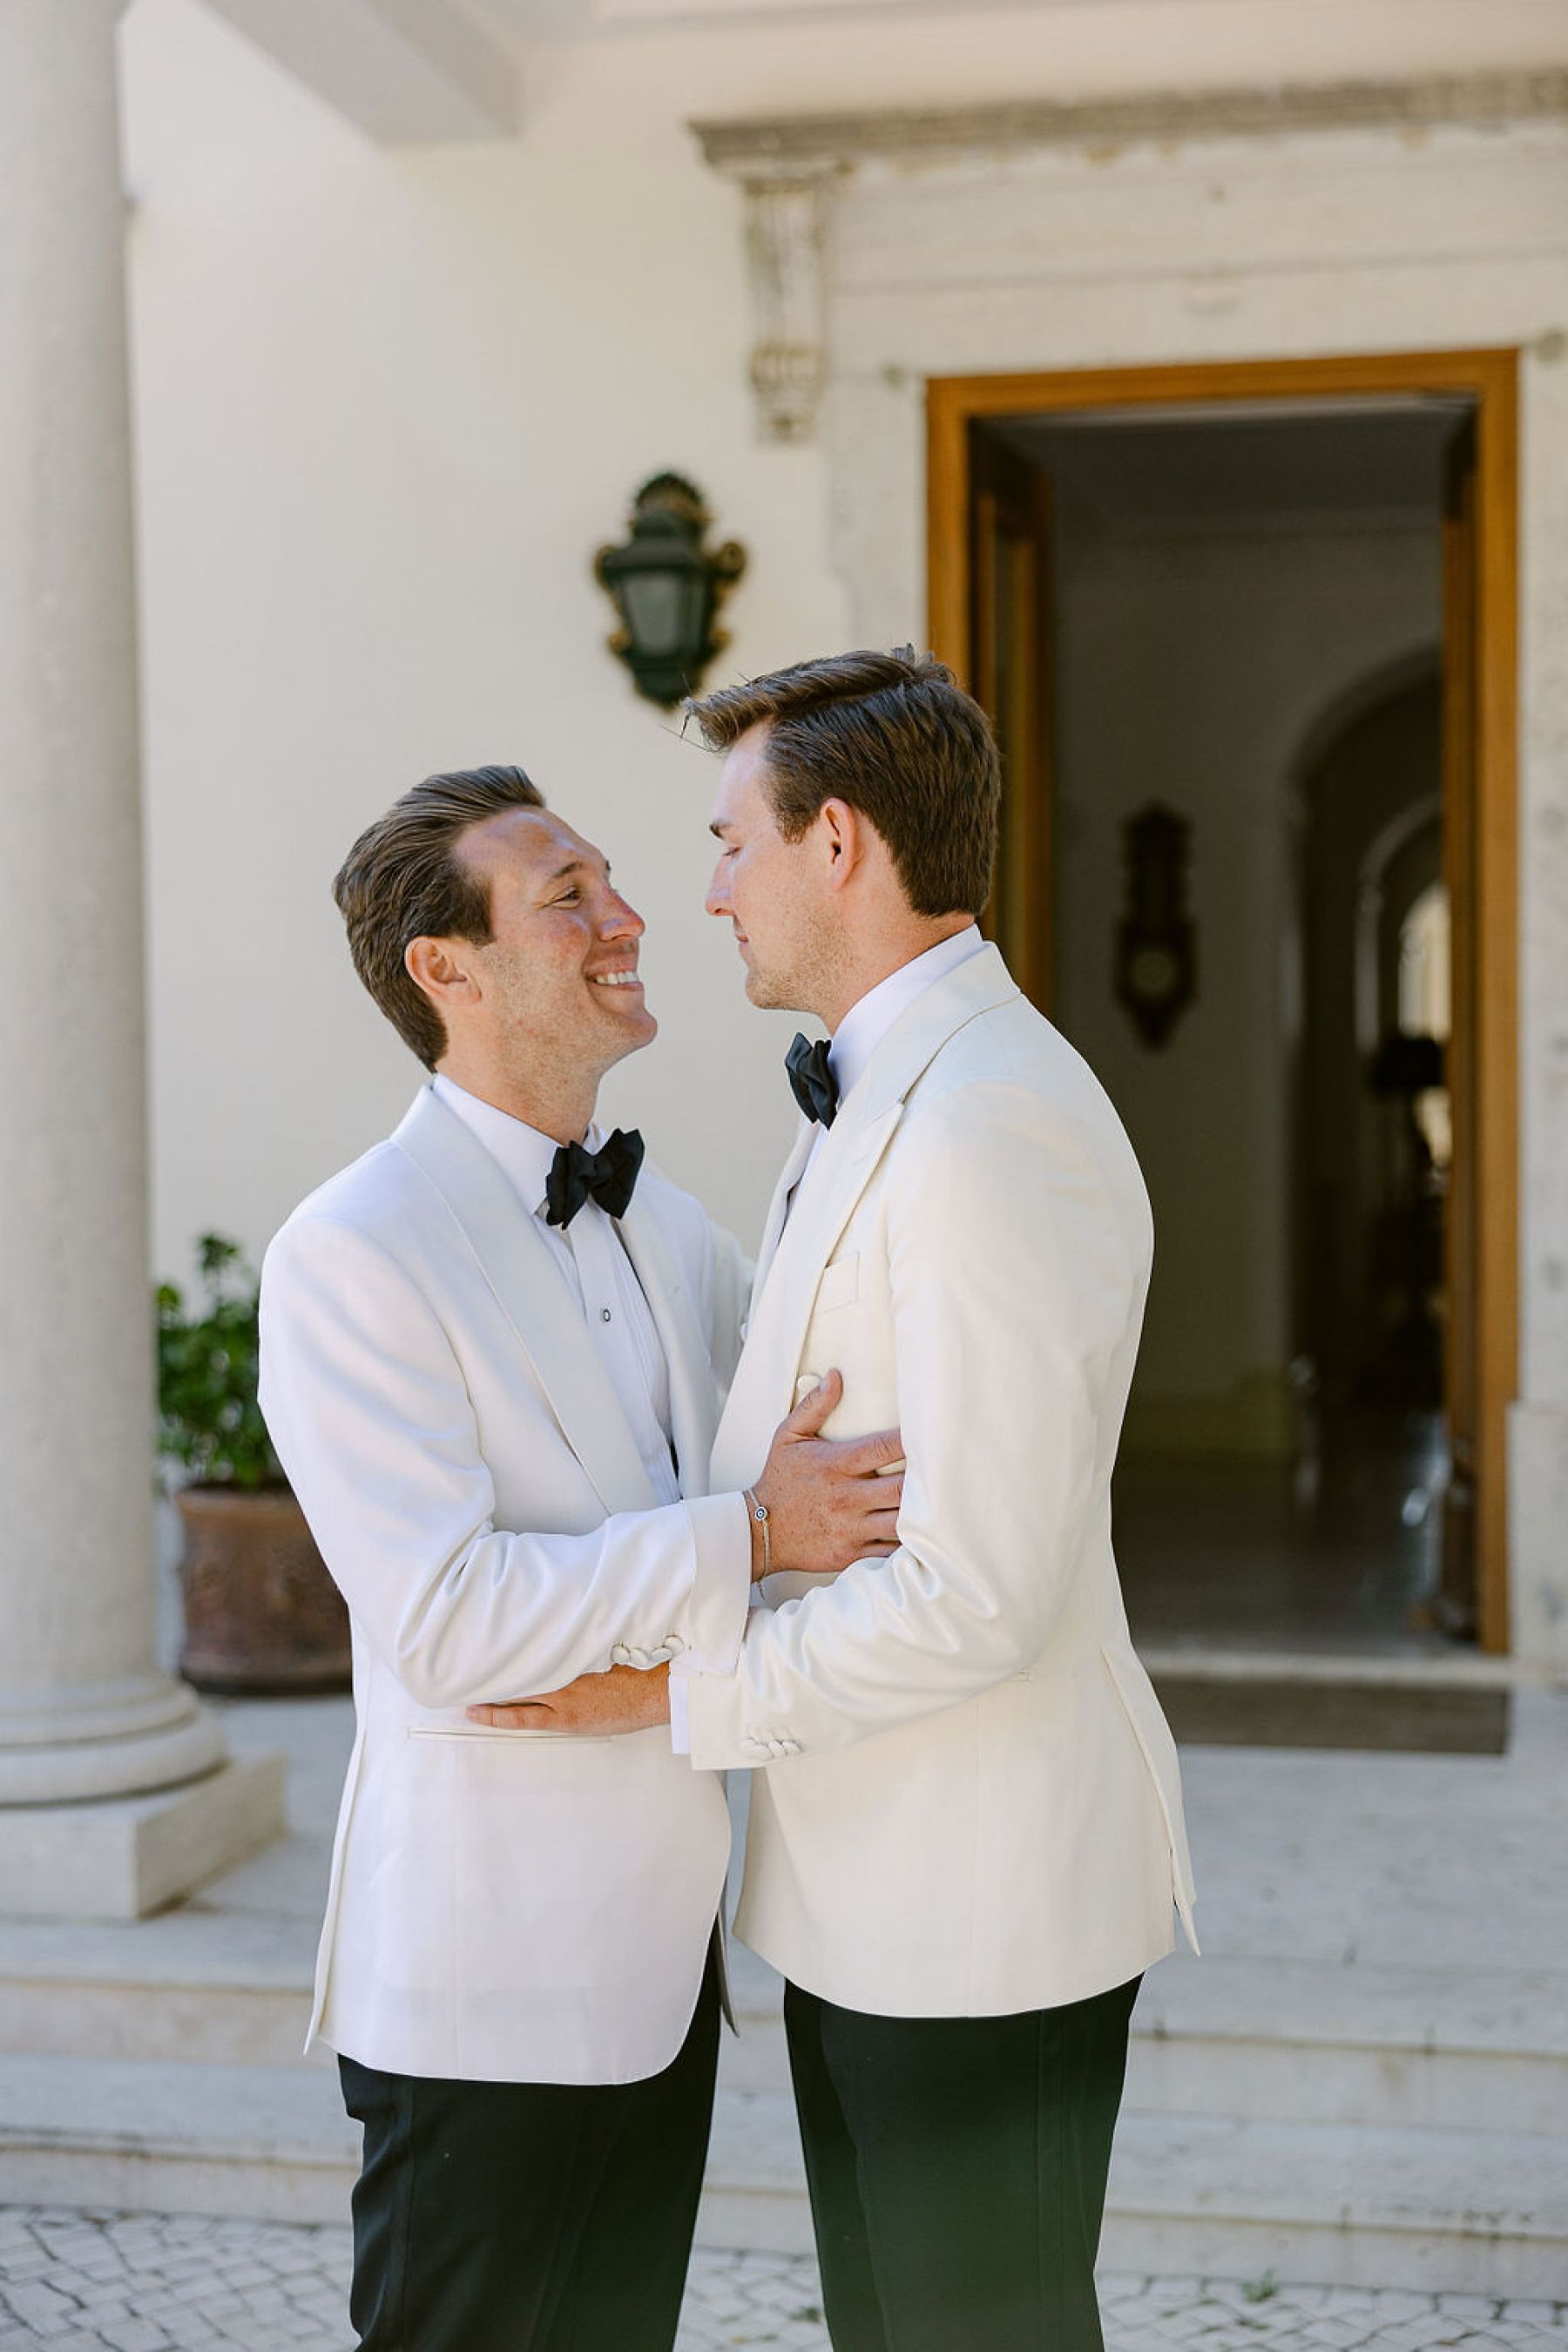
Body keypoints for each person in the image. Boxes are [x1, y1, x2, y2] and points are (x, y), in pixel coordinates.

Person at [470, 659, 1199, 2352]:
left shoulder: (990, 1125)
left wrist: (674, 1698)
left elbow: (979, 1590)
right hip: (867, 1893)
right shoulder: (880, 1091)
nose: (709, 889)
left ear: (840, 843)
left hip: (979, 1910)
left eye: (733, 841)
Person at [257, 763, 902, 2352]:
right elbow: (451, 1623)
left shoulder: (667, 1226)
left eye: (613, 882)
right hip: (489, 1989)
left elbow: (826, 1445)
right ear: (445, 968)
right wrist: (744, 1537)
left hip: (664, 1978)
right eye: (570, 900)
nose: (631, 922)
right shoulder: (350, 1251)